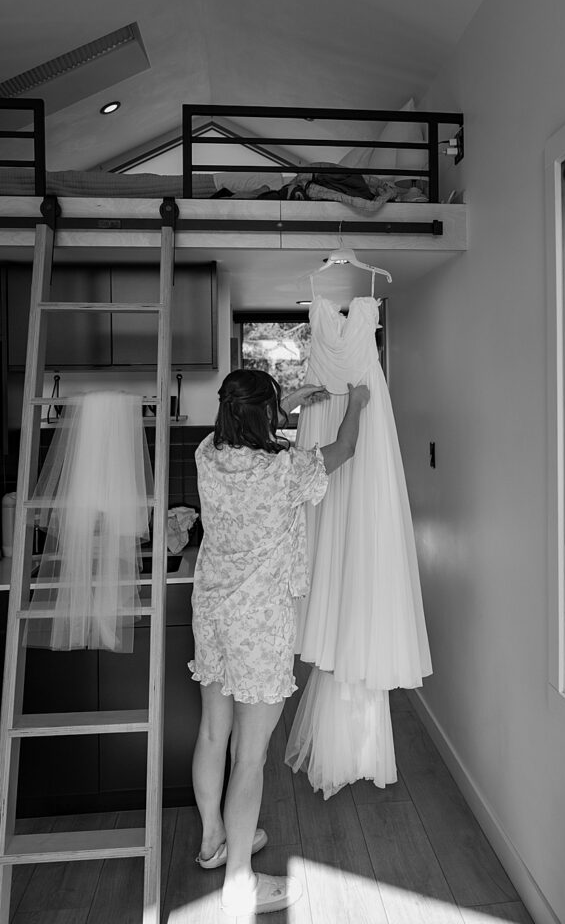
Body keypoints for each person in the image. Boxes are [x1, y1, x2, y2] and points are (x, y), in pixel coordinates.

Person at [187, 368, 370, 918]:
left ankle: (213, 842)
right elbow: (344, 448)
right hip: (258, 623)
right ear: (264, 415)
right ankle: (240, 883)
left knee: (214, 734)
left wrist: (283, 400)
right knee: (250, 756)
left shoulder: (205, 454)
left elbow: (244, 425)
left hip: (212, 612)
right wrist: (356, 402)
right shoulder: (283, 470)